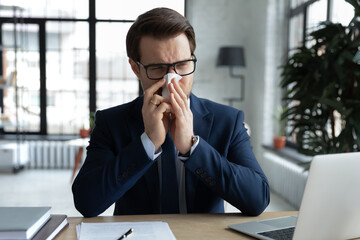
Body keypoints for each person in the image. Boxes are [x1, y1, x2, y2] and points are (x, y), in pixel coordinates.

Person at [72, 7, 270, 217]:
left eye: (182, 65)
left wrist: (192, 148)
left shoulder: (227, 121)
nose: (172, 79)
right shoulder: (111, 123)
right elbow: (86, 203)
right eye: (157, 68)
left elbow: (257, 199)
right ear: (135, 68)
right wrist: (147, 143)